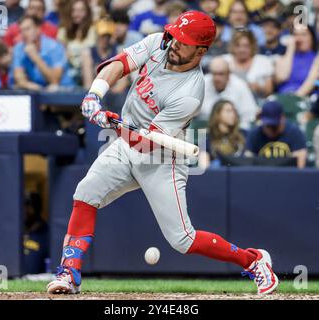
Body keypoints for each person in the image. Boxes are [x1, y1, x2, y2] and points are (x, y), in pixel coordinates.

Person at [46, 11, 278, 296]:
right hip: (125, 142)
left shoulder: (190, 93)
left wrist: (111, 124)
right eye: (176, 35)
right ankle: (68, 273)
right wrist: (95, 93)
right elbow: (119, 64)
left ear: (201, 50)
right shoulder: (159, 42)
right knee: (85, 194)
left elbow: (146, 144)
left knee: (182, 239)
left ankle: (254, 261)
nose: (175, 43)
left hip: (161, 156)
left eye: (184, 41)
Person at [12, 15, 73, 90]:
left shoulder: (55, 47)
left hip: (62, 90)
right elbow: (19, 77)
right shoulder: (19, 48)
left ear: (38, 29)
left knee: (53, 88)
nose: (24, 33)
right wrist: (27, 85)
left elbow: (54, 80)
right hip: (37, 90)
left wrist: (35, 57)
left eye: (27, 29)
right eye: (21, 31)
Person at [245, 100, 307, 168]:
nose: (270, 130)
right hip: (261, 175)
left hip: (287, 175)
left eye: (274, 126)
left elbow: (300, 164)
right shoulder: (255, 134)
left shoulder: (294, 132)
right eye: (268, 126)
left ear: (282, 119)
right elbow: (248, 161)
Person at [201, 56, 258, 130]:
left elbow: (249, 115)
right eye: (214, 74)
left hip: (233, 131)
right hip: (205, 128)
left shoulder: (240, 85)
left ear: (228, 74)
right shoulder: (202, 84)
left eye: (221, 74)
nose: (217, 78)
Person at [223, 29, 274, 99]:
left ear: (252, 46)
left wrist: (258, 88)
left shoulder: (263, 61)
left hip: (257, 101)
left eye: (246, 46)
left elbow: (269, 91)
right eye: (238, 45)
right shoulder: (224, 61)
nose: (242, 50)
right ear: (232, 46)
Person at [57, 0, 96, 86]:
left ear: (87, 12)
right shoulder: (63, 31)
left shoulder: (93, 30)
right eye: (74, 10)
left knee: (86, 55)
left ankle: (88, 93)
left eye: (81, 10)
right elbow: (60, 54)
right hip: (69, 69)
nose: (77, 14)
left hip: (90, 69)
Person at [275, 24, 317, 94]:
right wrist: (290, 48)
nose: (299, 38)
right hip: (282, 97)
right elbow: (282, 77)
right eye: (296, 35)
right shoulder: (284, 57)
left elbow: (315, 82)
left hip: (306, 98)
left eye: (303, 35)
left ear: (312, 37)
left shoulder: (316, 58)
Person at [204, 99, 246, 164]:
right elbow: (204, 166)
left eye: (234, 111)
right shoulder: (208, 138)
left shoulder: (243, 134)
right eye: (228, 111)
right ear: (217, 114)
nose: (233, 114)